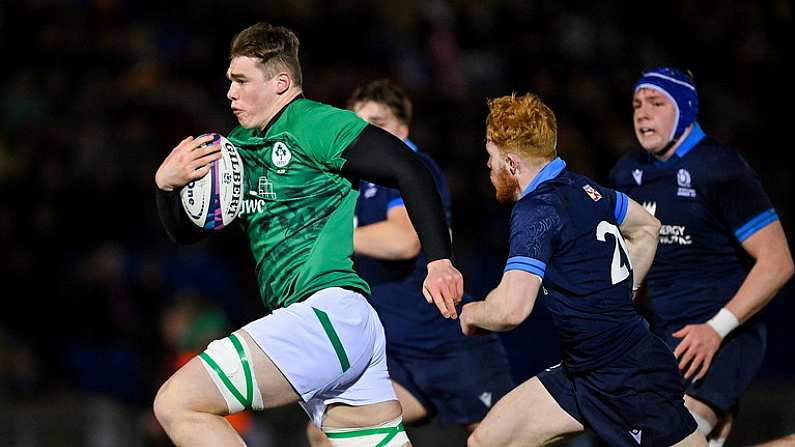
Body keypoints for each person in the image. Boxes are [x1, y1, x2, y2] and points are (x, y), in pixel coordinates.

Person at [152, 22, 464, 447]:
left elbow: (408, 169)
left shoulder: (313, 123)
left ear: (282, 82)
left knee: (177, 402)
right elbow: (187, 234)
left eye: (241, 80)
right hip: (336, 329)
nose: (230, 92)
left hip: (324, 315)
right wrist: (167, 187)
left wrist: (439, 259)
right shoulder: (236, 150)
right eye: (229, 81)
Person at [460, 92, 706, 446]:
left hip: (628, 377)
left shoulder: (535, 211)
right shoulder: (585, 189)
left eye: (491, 156)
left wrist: (472, 314)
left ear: (512, 163)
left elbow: (511, 310)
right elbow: (648, 227)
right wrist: (622, 291)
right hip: (582, 373)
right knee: (487, 441)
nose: (488, 166)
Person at [306, 80, 514, 446]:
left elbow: (404, 241)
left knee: (496, 441)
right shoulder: (352, 180)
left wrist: (330, 237)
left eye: (378, 124)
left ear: (402, 129)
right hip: (395, 356)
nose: (366, 134)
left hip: (448, 342)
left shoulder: (410, 168)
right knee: (328, 432)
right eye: (358, 126)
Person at [609, 67, 794, 446]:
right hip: (666, 339)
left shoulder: (720, 168)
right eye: (637, 104)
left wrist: (716, 328)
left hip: (724, 339)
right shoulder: (627, 173)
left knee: (666, 439)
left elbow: (778, 263)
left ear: (685, 109)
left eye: (656, 103)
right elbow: (632, 267)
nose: (643, 112)